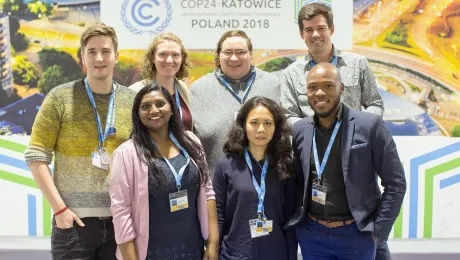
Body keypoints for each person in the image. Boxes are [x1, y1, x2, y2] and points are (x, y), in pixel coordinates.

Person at [24, 23, 136, 260]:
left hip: (120, 223)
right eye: (92, 51)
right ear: (83, 57)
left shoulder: (131, 100)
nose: (99, 58)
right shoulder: (59, 97)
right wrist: (60, 209)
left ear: (116, 55)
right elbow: (36, 156)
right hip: (73, 222)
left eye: (105, 51)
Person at [284, 63, 406, 260]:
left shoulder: (370, 126)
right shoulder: (300, 129)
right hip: (313, 235)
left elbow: (396, 183)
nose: (320, 93)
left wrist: (378, 231)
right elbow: (298, 182)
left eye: (328, 85)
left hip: (357, 234)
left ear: (341, 88)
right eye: (312, 87)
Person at [109, 84, 219, 260]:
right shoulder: (126, 153)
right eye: (145, 106)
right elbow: (121, 212)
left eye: (160, 103)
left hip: (192, 250)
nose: (154, 110)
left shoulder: (191, 142)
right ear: (137, 114)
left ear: (172, 109)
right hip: (150, 253)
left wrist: (213, 244)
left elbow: (208, 192)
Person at [213, 96, 297, 260]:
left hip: (275, 253)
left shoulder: (285, 165)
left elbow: (290, 217)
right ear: (243, 125)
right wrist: (213, 249)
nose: (261, 129)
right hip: (235, 253)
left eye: (267, 123)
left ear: (276, 127)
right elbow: (218, 214)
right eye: (254, 122)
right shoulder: (226, 164)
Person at [190, 30, 280, 175]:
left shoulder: (272, 85)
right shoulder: (198, 89)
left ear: (251, 55)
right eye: (227, 52)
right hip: (215, 186)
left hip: (266, 181)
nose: (234, 58)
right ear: (219, 55)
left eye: (240, 52)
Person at [281, 2, 384, 126]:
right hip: (312, 143)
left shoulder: (358, 63)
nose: (315, 34)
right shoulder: (291, 73)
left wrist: (358, 126)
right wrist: (313, 131)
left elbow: (375, 104)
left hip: (354, 142)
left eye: (321, 28)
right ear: (301, 34)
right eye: (309, 30)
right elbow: (288, 116)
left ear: (332, 29)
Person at [130, 32, 194, 131]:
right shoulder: (135, 91)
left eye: (175, 55)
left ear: (182, 59)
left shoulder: (184, 90)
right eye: (162, 54)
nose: (169, 60)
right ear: (152, 58)